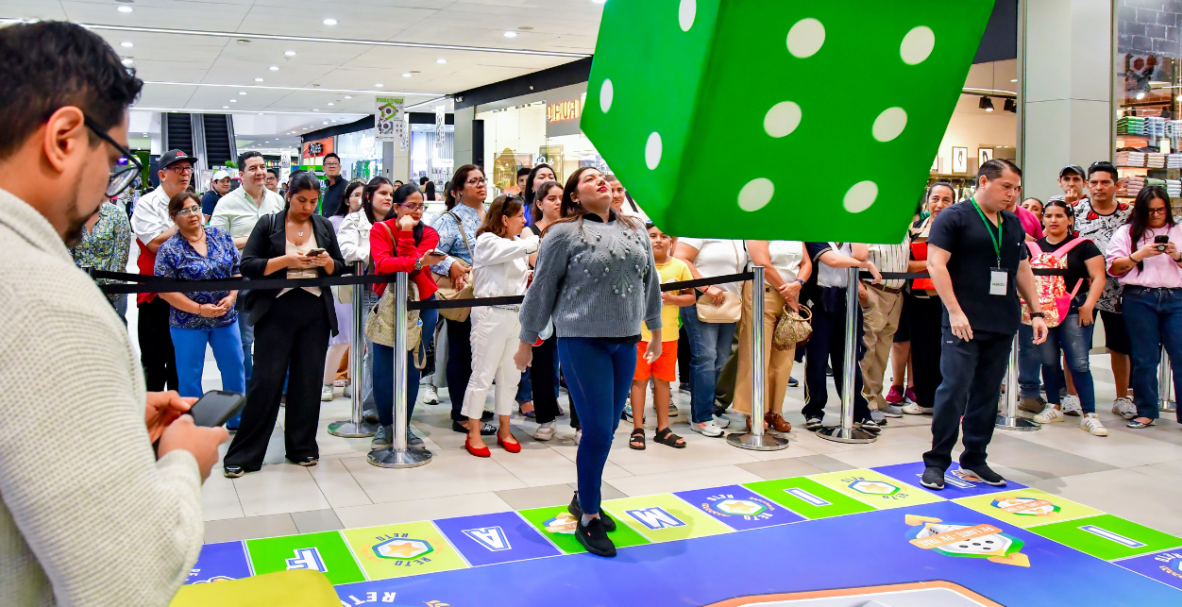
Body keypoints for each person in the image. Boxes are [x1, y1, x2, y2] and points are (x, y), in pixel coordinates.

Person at [0, 20, 227, 604]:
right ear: (65, 138)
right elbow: (125, 580)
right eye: (116, 159)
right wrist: (183, 463)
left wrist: (117, 412)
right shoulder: (46, 302)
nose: (109, 185)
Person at [514, 167, 662, 558]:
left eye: (605, 177)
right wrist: (527, 340)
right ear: (575, 196)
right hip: (582, 340)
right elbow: (542, 288)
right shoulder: (563, 233)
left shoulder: (635, 227)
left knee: (609, 427)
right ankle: (589, 517)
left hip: (627, 340)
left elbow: (651, 283)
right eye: (590, 179)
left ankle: (584, 496)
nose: (602, 181)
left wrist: (656, 329)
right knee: (596, 428)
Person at [921, 159, 1048, 490]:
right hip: (963, 321)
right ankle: (937, 460)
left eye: (1017, 188)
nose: (1012, 194)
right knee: (954, 389)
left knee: (987, 393)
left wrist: (1036, 311)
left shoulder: (1013, 223)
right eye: (1006, 186)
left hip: (1001, 320)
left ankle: (975, 458)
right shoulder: (955, 217)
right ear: (984, 181)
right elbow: (936, 264)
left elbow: (1022, 269)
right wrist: (954, 310)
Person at [222, 172, 345, 477]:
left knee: (308, 381)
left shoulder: (324, 225)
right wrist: (285, 261)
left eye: (314, 202)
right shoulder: (269, 224)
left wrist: (325, 262)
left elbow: (339, 267)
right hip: (275, 310)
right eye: (302, 200)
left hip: (315, 310)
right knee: (266, 382)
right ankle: (245, 454)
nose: (308, 207)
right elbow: (247, 264)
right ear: (289, 195)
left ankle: (302, 447)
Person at [368, 183, 445, 449]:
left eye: (421, 206)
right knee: (384, 367)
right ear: (396, 207)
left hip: (423, 304)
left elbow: (410, 268)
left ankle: (405, 424)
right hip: (390, 304)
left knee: (414, 366)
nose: (417, 211)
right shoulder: (380, 229)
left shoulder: (430, 233)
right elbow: (386, 265)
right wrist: (409, 248)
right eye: (410, 206)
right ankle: (386, 426)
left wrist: (408, 237)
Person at [461, 196, 539, 456]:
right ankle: (473, 431)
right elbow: (513, 252)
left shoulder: (517, 243)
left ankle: (504, 428)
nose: (524, 221)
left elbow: (522, 266)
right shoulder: (486, 241)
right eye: (520, 217)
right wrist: (541, 238)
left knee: (511, 375)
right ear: (505, 219)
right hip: (489, 316)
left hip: (515, 317)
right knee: (483, 374)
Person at [210, 151, 285, 416]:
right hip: (241, 277)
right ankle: (247, 395)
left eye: (263, 167)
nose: (260, 172)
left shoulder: (277, 201)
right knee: (244, 339)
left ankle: (271, 391)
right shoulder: (227, 203)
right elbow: (215, 241)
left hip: (275, 276)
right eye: (253, 168)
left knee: (275, 335)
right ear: (241, 175)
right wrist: (253, 239)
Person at [1025, 201, 1108, 435]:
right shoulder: (1033, 248)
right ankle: (1054, 406)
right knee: (1049, 361)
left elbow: (1099, 277)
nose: (1053, 220)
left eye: (1059, 216)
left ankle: (1089, 413)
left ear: (1069, 220)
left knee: (1079, 362)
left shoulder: (1084, 247)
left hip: (1074, 310)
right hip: (1042, 314)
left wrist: (1089, 306)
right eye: (1048, 215)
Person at [155, 191, 246, 402]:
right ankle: (193, 422)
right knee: (190, 377)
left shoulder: (220, 236)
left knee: (234, 368)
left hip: (225, 317)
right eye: (184, 211)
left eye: (195, 208)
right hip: (187, 323)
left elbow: (236, 270)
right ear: (174, 217)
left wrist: (232, 297)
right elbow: (164, 290)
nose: (192, 214)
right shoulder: (169, 249)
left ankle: (236, 419)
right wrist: (198, 309)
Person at [1105, 185, 1182, 429]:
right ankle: (1147, 410)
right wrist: (1139, 254)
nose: (1156, 215)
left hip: (1176, 297)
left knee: (1180, 356)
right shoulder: (1127, 232)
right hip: (1139, 298)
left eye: (1160, 209)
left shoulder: (1178, 230)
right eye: (1150, 211)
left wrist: (1178, 256)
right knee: (1144, 358)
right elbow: (1115, 268)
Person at [434, 164, 496, 435]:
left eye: (482, 180)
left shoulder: (494, 213)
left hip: (497, 292)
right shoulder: (451, 219)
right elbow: (430, 251)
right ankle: (461, 412)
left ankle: (477, 404)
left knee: (487, 354)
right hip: (468, 295)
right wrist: (451, 265)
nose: (480, 185)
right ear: (458, 190)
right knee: (463, 353)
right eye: (473, 181)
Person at [1073, 161, 1136, 418]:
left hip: (1118, 290)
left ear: (1116, 185)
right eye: (1094, 182)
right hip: (1082, 288)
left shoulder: (1129, 213)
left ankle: (1122, 397)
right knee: (1076, 344)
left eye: (1105, 182)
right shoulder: (1074, 209)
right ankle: (1072, 397)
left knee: (1119, 346)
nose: (1099, 187)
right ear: (1087, 184)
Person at [132, 148, 196, 392]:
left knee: (183, 361)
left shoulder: (191, 202)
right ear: (161, 174)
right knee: (154, 360)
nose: (184, 174)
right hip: (155, 293)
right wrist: (184, 223)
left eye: (187, 168)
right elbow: (155, 244)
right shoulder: (147, 204)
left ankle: (179, 417)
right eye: (177, 169)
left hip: (187, 292)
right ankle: (154, 419)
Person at [801, 242, 882, 432]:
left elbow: (861, 255)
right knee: (817, 360)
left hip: (847, 299)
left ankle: (859, 411)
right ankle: (814, 410)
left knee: (848, 359)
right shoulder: (816, 235)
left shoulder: (847, 236)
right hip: (820, 301)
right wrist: (867, 266)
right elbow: (832, 259)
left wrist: (853, 235)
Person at [732, 240, 810, 433]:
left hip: (791, 295)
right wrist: (788, 293)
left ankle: (774, 411)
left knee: (784, 357)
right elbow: (763, 264)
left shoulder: (795, 232)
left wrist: (798, 284)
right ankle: (754, 411)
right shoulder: (758, 228)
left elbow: (806, 263)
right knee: (757, 353)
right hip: (762, 292)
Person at [629, 222, 694, 449]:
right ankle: (638, 427)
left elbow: (691, 297)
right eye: (653, 236)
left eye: (663, 236)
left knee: (664, 382)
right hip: (641, 336)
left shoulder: (680, 267)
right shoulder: (638, 265)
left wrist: (672, 299)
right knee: (638, 381)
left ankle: (663, 428)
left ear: (671, 241)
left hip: (668, 336)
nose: (658, 240)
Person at [675, 237, 748, 436]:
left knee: (720, 358)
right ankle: (701, 417)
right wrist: (705, 287)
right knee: (705, 357)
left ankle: (706, 409)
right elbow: (681, 258)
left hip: (728, 302)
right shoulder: (697, 230)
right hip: (702, 299)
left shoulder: (734, 232)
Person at [338, 177, 395, 422]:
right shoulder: (354, 220)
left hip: (394, 288)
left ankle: (386, 403)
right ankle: (372, 406)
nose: (388, 198)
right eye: (383, 193)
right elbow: (346, 250)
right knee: (373, 349)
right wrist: (380, 255)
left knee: (390, 348)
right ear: (369, 196)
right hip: (368, 289)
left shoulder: (396, 221)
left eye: (391, 193)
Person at [526, 179, 575, 441]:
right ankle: (545, 419)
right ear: (539, 203)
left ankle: (580, 424)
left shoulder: (575, 226)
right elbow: (539, 264)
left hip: (572, 305)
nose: (557, 202)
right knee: (543, 364)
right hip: (544, 305)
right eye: (551, 198)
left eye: (560, 198)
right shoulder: (530, 232)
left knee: (575, 365)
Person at [902, 182, 955, 415]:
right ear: (927, 201)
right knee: (923, 348)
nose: (939, 204)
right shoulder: (914, 229)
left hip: (950, 297)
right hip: (918, 297)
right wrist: (934, 264)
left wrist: (937, 265)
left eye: (946, 200)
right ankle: (924, 400)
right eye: (935, 198)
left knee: (950, 350)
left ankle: (950, 401)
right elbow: (905, 264)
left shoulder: (960, 228)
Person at [859, 233, 911, 421]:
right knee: (867, 348)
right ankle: (864, 401)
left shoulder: (903, 229)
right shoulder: (870, 224)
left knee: (883, 348)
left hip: (895, 294)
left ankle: (877, 397)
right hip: (873, 291)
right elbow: (853, 258)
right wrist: (859, 288)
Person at [321, 180, 365, 401]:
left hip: (368, 283)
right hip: (342, 282)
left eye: (364, 195)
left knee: (362, 338)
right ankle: (327, 382)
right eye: (356, 194)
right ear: (347, 199)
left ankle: (352, 380)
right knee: (342, 337)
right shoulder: (333, 222)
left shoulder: (374, 222)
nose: (360, 199)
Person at [71, 197, 132, 321]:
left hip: (111, 291)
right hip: (78, 290)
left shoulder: (117, 215)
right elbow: (66, 253)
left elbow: (120, 257)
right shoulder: (72, 215)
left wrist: (105, 288)